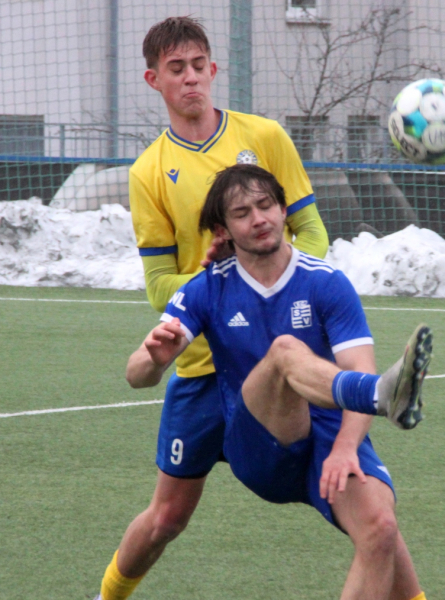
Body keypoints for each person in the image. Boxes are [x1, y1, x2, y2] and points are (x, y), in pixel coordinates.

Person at [96, 16, 329, 600]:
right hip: (202, 370)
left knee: (355, 498)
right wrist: (213, 279)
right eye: (177, 69)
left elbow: (313, 235)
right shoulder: (148, 171)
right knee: (166, 519)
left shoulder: (266, 137)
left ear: (214, 69)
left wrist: (275, 285)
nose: (191, 78)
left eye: (199, 66)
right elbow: (158, 286)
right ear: (154, 79)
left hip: (279, 363)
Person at [124, 163, 433, 600]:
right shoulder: (207, 288)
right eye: (242, 213)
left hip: (330, 435)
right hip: (261, 443)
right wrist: (153, 360)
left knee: (380, 529)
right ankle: (382, 396)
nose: (259, 218)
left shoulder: (327, 283)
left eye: (266, 205)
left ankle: (379, 396)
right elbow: (135, 375)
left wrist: (346, 448)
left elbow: (359, 363)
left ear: (284, 209)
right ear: (223, 230)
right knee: (286, 351)